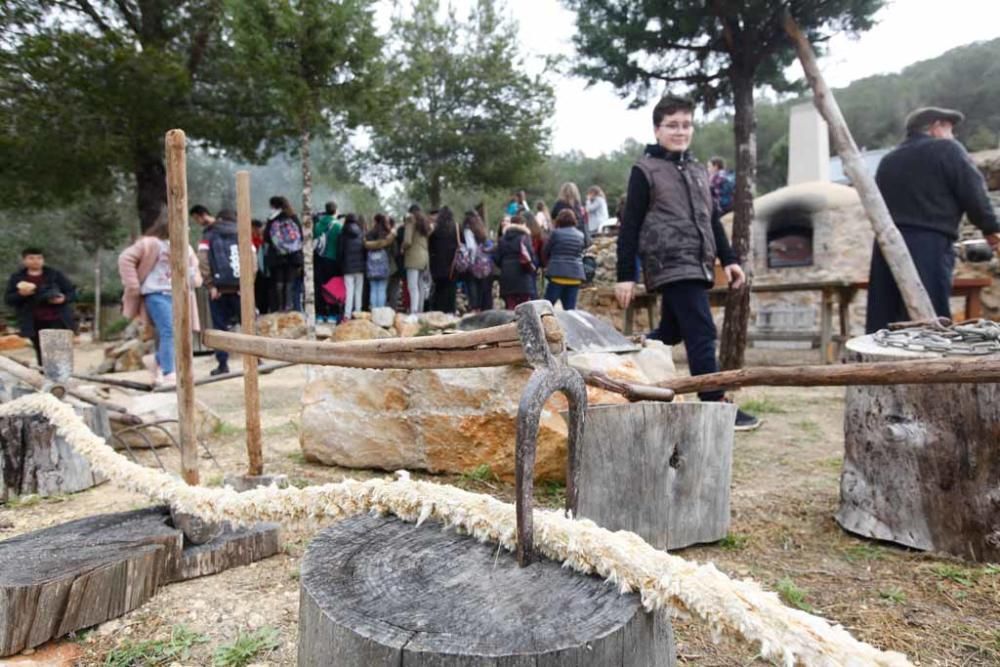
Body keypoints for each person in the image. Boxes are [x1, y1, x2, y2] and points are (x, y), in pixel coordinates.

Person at [616, 95, 759, 431]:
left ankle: (621, 361)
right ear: (657, 129)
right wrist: (626, 275)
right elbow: (631, 225)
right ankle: (714, 404)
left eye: (686, 124)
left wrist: (730, 259)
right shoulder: (645, 170)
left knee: (669, 332)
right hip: (669, 260)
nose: (680, 131)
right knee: (702, 330)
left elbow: (710, 219)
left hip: (699, 261)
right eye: (672, 125)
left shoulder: (696, 170)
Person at [866, 106, 1000, 333]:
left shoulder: (888, 161)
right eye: (950, 128)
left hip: (886, 247)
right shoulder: (947, 149)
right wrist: (992, 230)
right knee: (930, 317)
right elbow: (973, 193)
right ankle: (930, 367)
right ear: (936, 126)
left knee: (885, 318)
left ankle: (880, 366)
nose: (953, 135)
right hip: (929, 244)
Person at [117, 216, 201, 387]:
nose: (187, 230)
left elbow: (194, 270)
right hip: (156, 293)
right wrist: (133, 285)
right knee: (169, 330)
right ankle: (169, 372)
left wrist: (194, 278)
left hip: (180, 295)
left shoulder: (187, 248)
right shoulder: (151, 244)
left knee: (181, 332)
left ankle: (156, 361)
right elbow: (125, 258)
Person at [192, 206, 242, 375]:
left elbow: (203, 261)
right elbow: (252, 260)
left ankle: (223, 364)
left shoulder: (208, 235)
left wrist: (211, 284)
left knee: (219, 328)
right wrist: (247, 285)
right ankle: (257, 358)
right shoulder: (241, 233)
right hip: (241, 288)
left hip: (218, 290)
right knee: (249, 324)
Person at [5, 248, 76, 366]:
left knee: (59, 350)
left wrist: (63, 299)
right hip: (33, 321)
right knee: (41, 351)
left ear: (43, 260)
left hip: (57, 318)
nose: (35, 261)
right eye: (31, 258)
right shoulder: (17, 278)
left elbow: (71, 292)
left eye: (39, 258)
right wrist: (20, 295)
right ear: (24, 260)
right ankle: (45, 377)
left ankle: (62, 378)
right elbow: (8, 299)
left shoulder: (55, 274)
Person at [262, 196, 304, 312]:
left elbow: (266, 238)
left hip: (277, 256)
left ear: (274, 206)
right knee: (290, 282)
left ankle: (279, 308)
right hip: (293, 256)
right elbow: (301, 235)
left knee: (279, 282)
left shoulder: (272, 219)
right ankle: (289, 307)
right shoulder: (293, 217)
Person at [543, 209, 586, 310]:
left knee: (546, 308)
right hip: (575, 276)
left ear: (559, 220)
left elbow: (546, 251)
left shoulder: (555, 234)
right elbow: (581, 251)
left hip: (557, 275)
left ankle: (544, 325)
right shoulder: (580, 235)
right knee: (570, 311)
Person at [494, 214, 538, 310]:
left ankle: (511, 324)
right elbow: (531, 257)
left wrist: (505, 265)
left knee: (510, 308)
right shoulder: (525, 238)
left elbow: (496, 258)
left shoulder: (502, 240)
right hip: (523, 277)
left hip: (507, 277)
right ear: (523, 224)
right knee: (525, 309)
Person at [313, 201, 342, 322]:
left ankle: (320, 313)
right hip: (333, 260)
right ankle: (332, 313)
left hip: (319, 259)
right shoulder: (337, 225)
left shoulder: (317, 225)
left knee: (319, 286)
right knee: (331, 287)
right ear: (335, 210)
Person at [428, 206, 460, 313]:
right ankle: (450, 311)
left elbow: (430, 246)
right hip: (452, 264)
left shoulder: (435, 229)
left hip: (437, 265)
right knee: (451, 289)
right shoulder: (456, 227)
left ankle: (438, 310)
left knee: (439, 289)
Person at [461, 211, 493, 312]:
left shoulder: (467, 230)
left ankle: (475, 309)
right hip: (484, 263)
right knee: (482, 287)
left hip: (474, 263)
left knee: (472, 286)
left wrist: (470, 260)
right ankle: (484, 309)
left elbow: (471, 247)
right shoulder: (481, 228)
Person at [403, 205, 432, 314]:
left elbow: (407, 240)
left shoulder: (410, 220)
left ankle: (413, 312)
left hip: (413, 258)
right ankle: (419, 312)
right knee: (420, 286)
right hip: (424, 258)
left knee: (412, 286)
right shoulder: (425, 223)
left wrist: (402, 247)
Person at [364, 213, 397, 310]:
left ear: (375, 221)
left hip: (371, 266)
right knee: (382, 289)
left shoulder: (369, 234)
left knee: (373, 289)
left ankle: (374, 311)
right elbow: (395, 251)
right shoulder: (388, 235)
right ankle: (381, 312)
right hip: (384, 267)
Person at [337, 213, 366, 319]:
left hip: (347, 267)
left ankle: (347, 314)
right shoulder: (361, 232)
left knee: (349, 291)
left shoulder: (342, 233)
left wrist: (340, 265)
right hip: (360, 267)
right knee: (359, 290)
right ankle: (358, 313)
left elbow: (339, 252)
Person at [551, 182, 591, 249]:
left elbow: (552, 218)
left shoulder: (559, 204)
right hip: (578, 239)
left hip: (562, 238)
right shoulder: (578, 206)